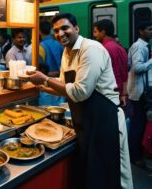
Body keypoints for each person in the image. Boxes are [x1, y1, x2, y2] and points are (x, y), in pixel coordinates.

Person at [24, 13, 133, 189]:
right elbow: (64, 86)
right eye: (57, 31)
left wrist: (44, 79)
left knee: (109, 175)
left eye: (65, 28)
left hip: (105, 121)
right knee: (92, 175)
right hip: (86, 120)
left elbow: (80, 92)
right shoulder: (66, 53)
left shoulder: (91, 49)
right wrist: (40, 86)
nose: (61, 33)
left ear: (76, 28)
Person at [127, 21, 152, 168]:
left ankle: (138, 153)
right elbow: (137, 68)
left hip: (142, 90)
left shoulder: (144, 46)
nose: (151, 32)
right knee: (138, 125)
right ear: (141, 31)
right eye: (149, 29)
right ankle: (134, 156)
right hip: (139, 92)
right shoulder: (138, 47)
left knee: (141, 124)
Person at [93, 19, 128, 107]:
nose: (94, 35)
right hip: (119, 92)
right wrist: (124, 93)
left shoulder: (103, 49)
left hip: (108, 93)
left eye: (96, 32)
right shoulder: (120, 48)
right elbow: (124, 73)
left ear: (103, 32)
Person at [38, 20, 65, 106]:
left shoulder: (40, 46)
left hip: (47, 84)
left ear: (39, 31)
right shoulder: (59, 44)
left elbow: (39, 68)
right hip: (60, 84)